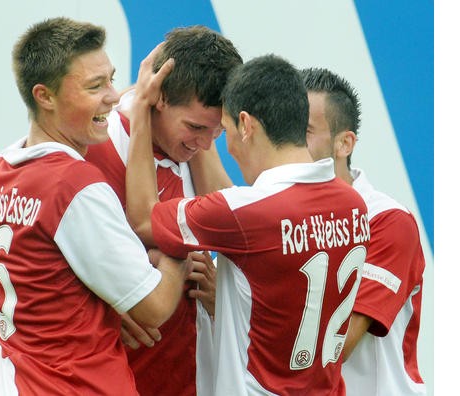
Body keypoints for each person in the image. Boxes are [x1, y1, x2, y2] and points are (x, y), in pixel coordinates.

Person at [126, 53, 371, 395]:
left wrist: (140, 110)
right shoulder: (354, 205)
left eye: (220, 131)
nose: (216, 144)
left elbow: (142, 218)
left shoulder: (247, 213)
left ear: (245, 125)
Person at [0, 17, 191, 395]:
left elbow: (57, 282)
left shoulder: (1, 169)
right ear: (44, 96)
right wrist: (178, 251)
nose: (112, 96)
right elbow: (156, 307)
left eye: (111, 79)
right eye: (95, 86)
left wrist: (142, 95)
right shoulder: (74, 185)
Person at [85, 25, 242, 396]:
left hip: (186, 376)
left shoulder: (196, 149)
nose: (204, 143)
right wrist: (100, 305)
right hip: (112, 378)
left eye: (217, 132)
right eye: (195, 127)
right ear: (159, 98)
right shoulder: (93, 147)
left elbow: (235, 228)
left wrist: (218, 289)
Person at [300, 67, 427, 395]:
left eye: (305, 131)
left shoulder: (389, 221)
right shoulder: (275, 218)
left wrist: (238, 306)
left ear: (345, 143)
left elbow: (335, 350)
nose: (289, 144)